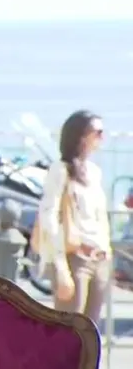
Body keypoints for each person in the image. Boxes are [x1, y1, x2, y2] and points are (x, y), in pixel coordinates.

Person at [39, 110, 110, 324]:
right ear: (80, 135)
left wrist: (107, 251)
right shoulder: (61, 171)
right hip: (74, 258)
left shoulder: (94, 172)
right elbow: (48, 216)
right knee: (70, 330)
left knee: (91, 332)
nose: (101, 138)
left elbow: (99, 217)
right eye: (97, 132)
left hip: (99, 258)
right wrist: (60, 267)